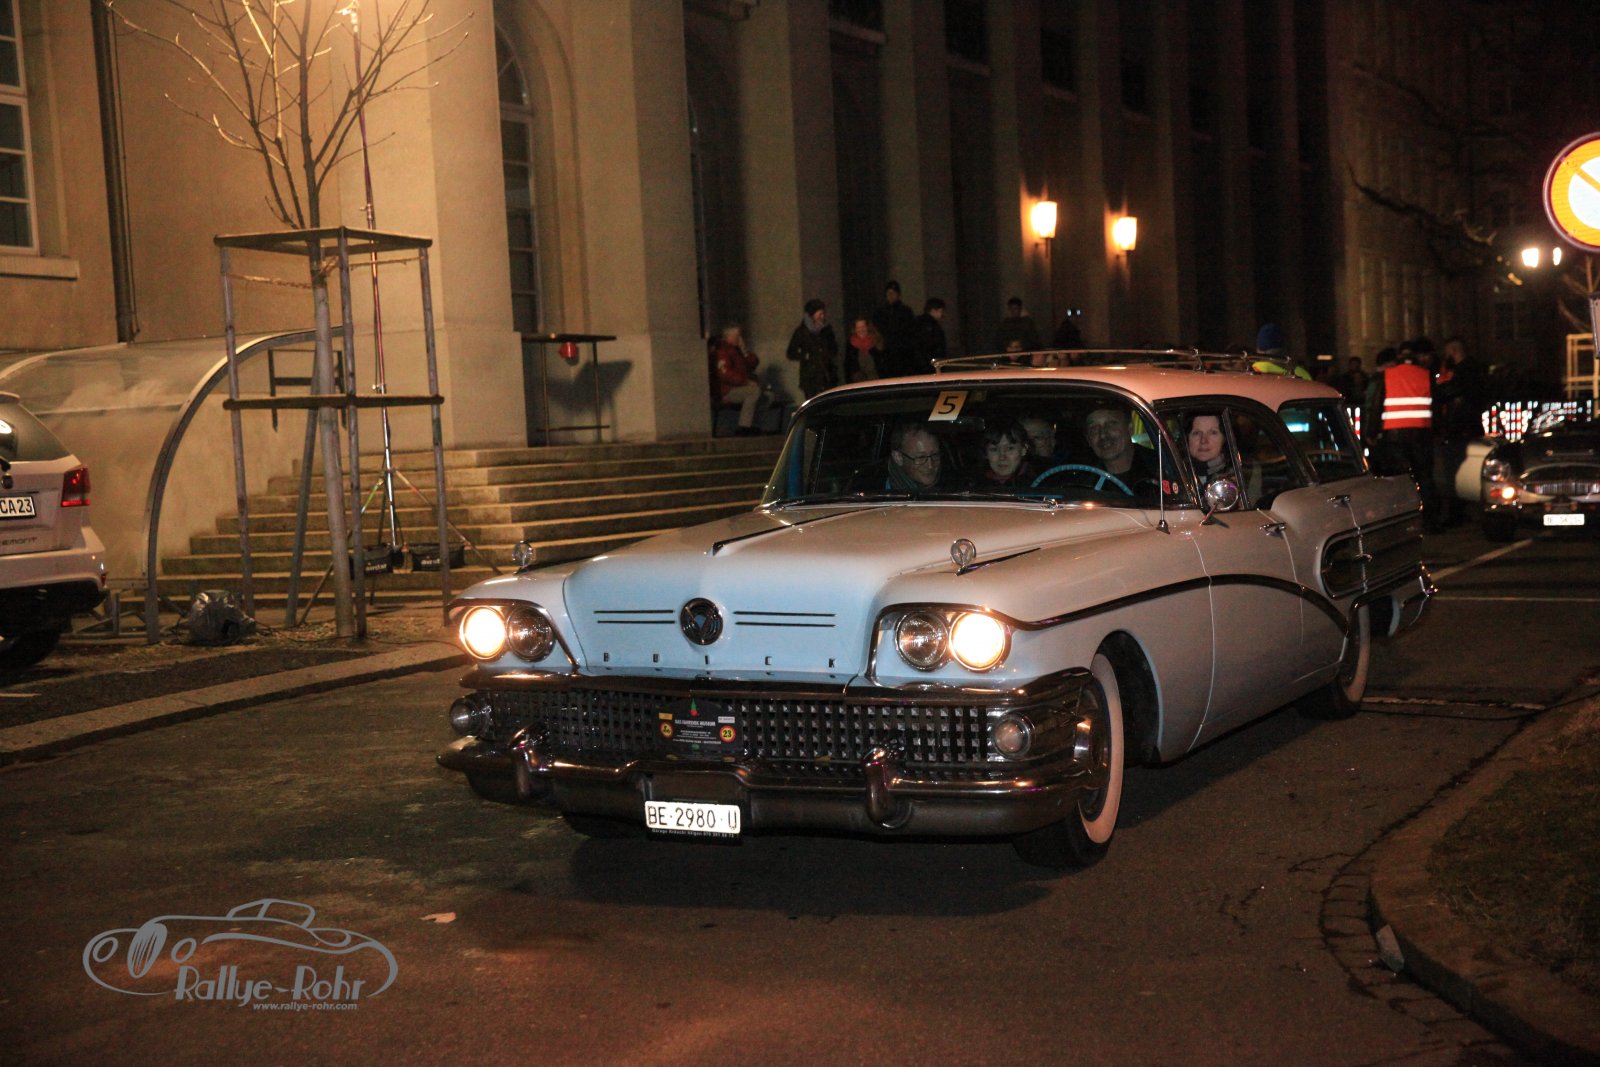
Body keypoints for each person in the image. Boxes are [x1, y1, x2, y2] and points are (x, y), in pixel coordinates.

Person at [1370, 343, 1438, 529]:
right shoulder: (1426, 375)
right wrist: (1437, 431)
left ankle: (1401, 522)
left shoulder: (1387, 375)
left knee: (1398, 480)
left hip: (1394, 436)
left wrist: (1372, 432)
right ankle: (1431, 521)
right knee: (1425, 477)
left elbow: (1376, 406)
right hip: (1422, 434)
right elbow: (1436, 407)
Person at [1432, 336, 1486, 526]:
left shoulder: (1464, 371)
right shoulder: (1475, 369)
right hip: (1469, 426)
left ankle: (1456, 514)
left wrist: (1435, 390)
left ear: (1453, 352)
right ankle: (1461, 512)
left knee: (1454, 471)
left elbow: (1450, 392)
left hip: (1460, 427)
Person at [1084, 405, 1160, 488]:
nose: (1103, 435)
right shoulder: (1083, 481)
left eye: (1111, 424)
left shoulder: (1160, 468)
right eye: (1094, 428)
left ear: (1130, 429)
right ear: (1088, 440)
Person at [710, 322, 766, 434]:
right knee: (753, 391)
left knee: (767, 396)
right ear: (729, 336)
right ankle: (744, 426)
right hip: (727, 390)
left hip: (741, 387)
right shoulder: (722, 351)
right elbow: (725, 374)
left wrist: (745, 351)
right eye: (737, 336)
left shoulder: (738, 350)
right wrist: (745, 382)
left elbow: (753, 363)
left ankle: (755, 425)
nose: (740, 339)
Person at [786, 298, 839, 399]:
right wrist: (806, 356)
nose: (822, 317)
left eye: (823, 313)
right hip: (810, 376)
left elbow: (834, 348)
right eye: (819, 314)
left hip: (826, 374)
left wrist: (827, 355)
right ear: (812, 314)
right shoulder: (801, 332)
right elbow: (791, 352)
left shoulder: (826, 330)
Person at [884, 423, 948, 494]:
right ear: (898, 457)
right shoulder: (882, 494)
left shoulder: (951, 487)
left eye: (935, 455)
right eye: (921, 457)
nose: (930, 465)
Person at [972, 417, 1036, 488]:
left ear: (1024, 450)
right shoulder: (972, 484)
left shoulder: (1041, 482)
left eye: (1010, 448)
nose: (1002, 457)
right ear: (986, 453)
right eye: (994, 449)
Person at [871, 280, 917, 377]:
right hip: (885, 354)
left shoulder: (906, 312)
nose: (891, 295)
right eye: (889, 293)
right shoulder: (879, 313)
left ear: (898, 295)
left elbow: (910, 333)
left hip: (902, 354)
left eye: (893, 293)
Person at [1186, 412, 1234, 498]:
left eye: (1213, 433)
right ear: (1187, 438)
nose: (1203, 441)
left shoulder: (1240, 475)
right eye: (1197, 433)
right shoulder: (1174, 473)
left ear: (1224, 438)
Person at [911, 298, 948, 374]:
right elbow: (932, 345)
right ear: (933, 310)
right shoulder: (930, 325)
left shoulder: (918, 323)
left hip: (922, 364)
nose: (942, 314)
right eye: (940, 311)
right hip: (930, 364)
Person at [845, 316, 884, 383]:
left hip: (876, 380)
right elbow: (848, 365)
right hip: (858, 382)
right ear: (854, 329)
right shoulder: (850, 344)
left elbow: (882, 364)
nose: (861, 330)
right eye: (858, 327)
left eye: (863, 327)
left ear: (868, 327)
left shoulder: (876, 341)